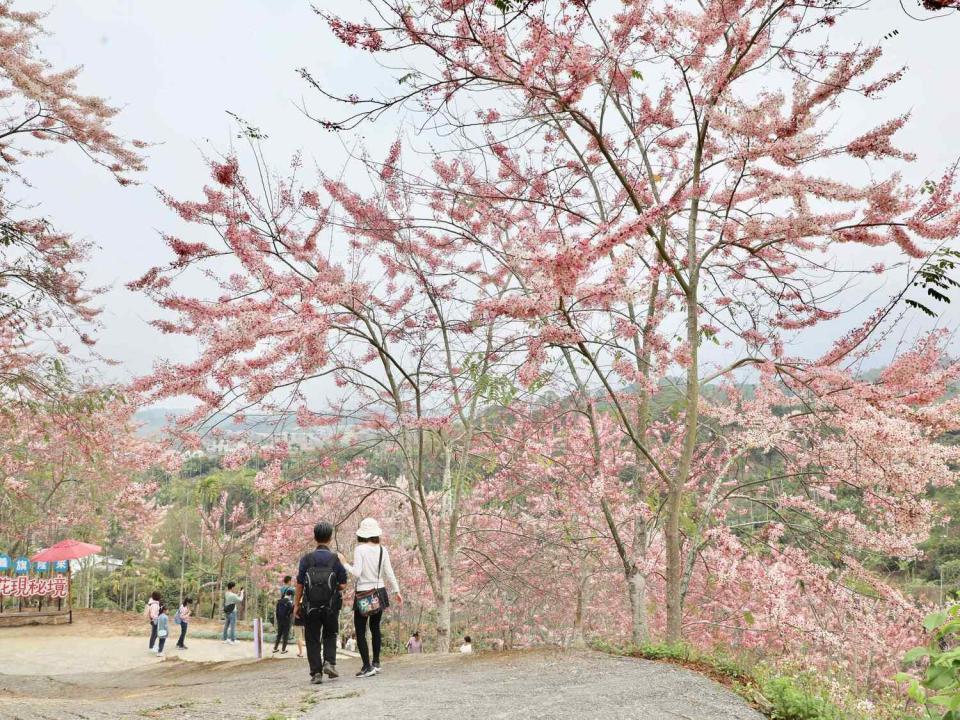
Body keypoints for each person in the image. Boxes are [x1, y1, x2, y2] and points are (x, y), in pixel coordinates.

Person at [339, 517, 402, 678]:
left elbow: (357, 573)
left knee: (360, 630)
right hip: (379, 591)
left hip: (364, 594)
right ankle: (376, 662)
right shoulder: (382, 549)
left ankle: (367, 666)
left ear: (362, 533)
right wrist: (396, 591)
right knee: (375, 628)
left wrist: (344, 563)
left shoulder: (360, 549)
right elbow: (389, 572)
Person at [295, 521, 347, 685]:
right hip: (331, 606)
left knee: (312, 638)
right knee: (330, 634)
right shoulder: (335, 559)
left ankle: (316, 673)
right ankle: (329, 663)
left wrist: (297, 604)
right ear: (330, 538)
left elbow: (300, 584)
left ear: (315, 537)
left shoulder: (307, 559)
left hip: (310, 606)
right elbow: (343, 584)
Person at [273, 587, 294, 654]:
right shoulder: (289, 602)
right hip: (286, 620)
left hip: (280, 620)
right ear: (290, 595)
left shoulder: (279, 601)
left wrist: (278, 619)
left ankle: (275, 648)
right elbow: (291, 611)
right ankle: (283, 650)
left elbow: (276, 612)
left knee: (279, 634)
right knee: (285, 635)